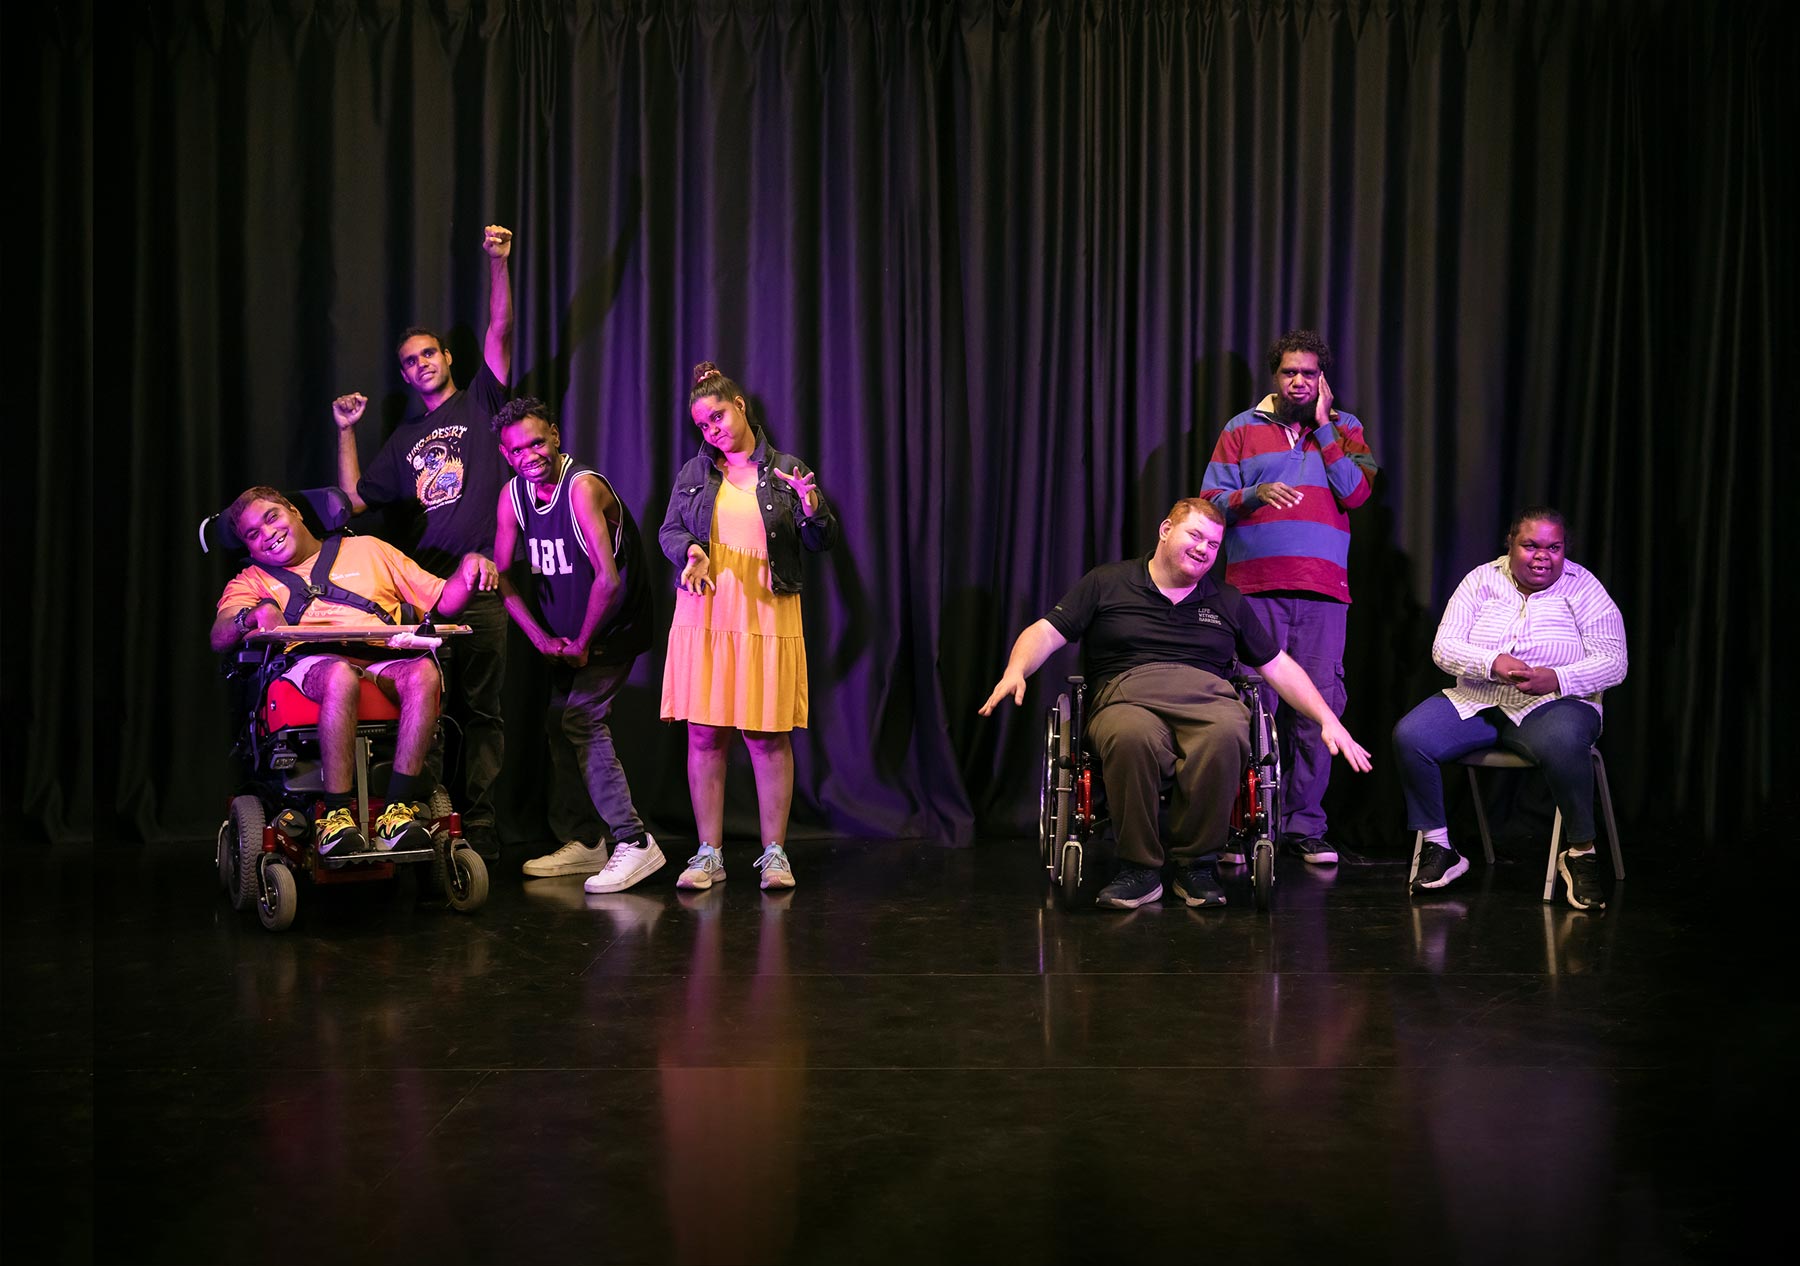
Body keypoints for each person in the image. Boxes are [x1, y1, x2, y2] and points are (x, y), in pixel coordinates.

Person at [979, 498, 1373, 909]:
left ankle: (1196, 867)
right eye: (1196, 535)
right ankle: (1140, 869)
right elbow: (1045, 631)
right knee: (1129, 736)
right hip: (1128, 694)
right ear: (1166, 530)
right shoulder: (1107, 582)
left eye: (1214, 544)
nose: (1204, 549)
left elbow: (1277, 666)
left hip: (1206, 699)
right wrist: (1015, 670)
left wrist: (1328, 719)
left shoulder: (1226, 599)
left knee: (1226, 733)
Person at [330, 224, 515, 860]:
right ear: (406, 375)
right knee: (427, 712)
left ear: (447, 359)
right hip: (426, 595)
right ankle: (429, 823)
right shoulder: (406, 438)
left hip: (484, 588)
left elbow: (499, 332)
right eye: (410, 361)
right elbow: (358, 500)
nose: (420, 364)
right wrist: (346, 430)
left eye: (428, 354)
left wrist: (498, 263)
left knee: (484, 713)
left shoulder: (483, 403)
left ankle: (482, 828)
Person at [210, 486, 498, 853]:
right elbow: (219, 635)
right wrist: (247, 616)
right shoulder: (251, 579)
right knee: (340, 675)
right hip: (309, 666)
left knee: (425, 672)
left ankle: (398, 809)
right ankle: (335, 816)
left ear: (294, 512)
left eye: (272, 517)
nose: (267, 533)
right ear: (248, 547)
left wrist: (470, 570)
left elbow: (444, 601)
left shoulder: (369, 549)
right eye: (253, 534)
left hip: (381, 657)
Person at [659, 361, 838, 891]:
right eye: (702, 425)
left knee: (766, 735)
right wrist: (689, 549)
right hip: (706, 611)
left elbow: (819, 541)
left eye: (717, 416)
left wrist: (812, 509)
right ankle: (708, 853)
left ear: (740, 405)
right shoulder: (694, 474)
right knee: (706, 734)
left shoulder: (785, 468)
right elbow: (669, 530)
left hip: (766, 611)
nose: (712, 429)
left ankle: (775, 854)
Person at [1201, 329, 1377, 866]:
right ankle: (1244, 825)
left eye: (1309, 372)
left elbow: (1355, 492)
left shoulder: (1346, 428)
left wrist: (1324, 428)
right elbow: (1208, 502)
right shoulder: (1241, 429)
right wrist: (1253, 493)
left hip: (1324, 594)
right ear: (1274, 377)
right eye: (1289, 372)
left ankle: (1305, 826)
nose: (1298, 381)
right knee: (1254, 707)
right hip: (1254, 591)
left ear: (1322, 377)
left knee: (1319, 709)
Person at [1393, 507, 1628, 909]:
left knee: (1563, 742)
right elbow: (1443, 647)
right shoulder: (1481, 580)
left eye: (1553, 547)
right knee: (1411, 736)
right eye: (1531, 545)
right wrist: (1492, 664)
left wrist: (1555, 677)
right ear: (1511, 544)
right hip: (1480, 699)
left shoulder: (1583, 587)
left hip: (1555, 702)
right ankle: (1440, 848)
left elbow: (1614, 661)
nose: (1542, 556)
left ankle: (1580, 854)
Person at [490, 397, 665, 892]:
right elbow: (502, 575)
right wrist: (542, 638)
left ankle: (634, 841)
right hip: (563, 634)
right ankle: (587, 840)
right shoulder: (512, 497)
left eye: (537, 442)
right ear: (506, 455)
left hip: (611, 626)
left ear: (556, 436)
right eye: (518, 449)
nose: (530, 454)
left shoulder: (582, 488)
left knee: (581, 719)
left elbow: (608, 582)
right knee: (555, 722)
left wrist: (583, 643)